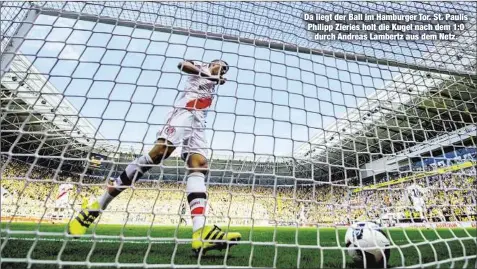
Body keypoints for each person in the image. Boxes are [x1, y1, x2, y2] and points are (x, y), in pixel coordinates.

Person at [68, 59, 241, 254]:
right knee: (159, 153)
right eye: (222, 65)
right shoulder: (201, 66)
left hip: (199, 122)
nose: (223, 69)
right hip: (184, 112)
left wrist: (214, 79)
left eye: (226, 69)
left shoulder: (214, 84)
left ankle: (200, 232)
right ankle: (96, 207)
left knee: (199, 165)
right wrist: (208, 74)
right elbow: (182, 65)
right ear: (214, 62)